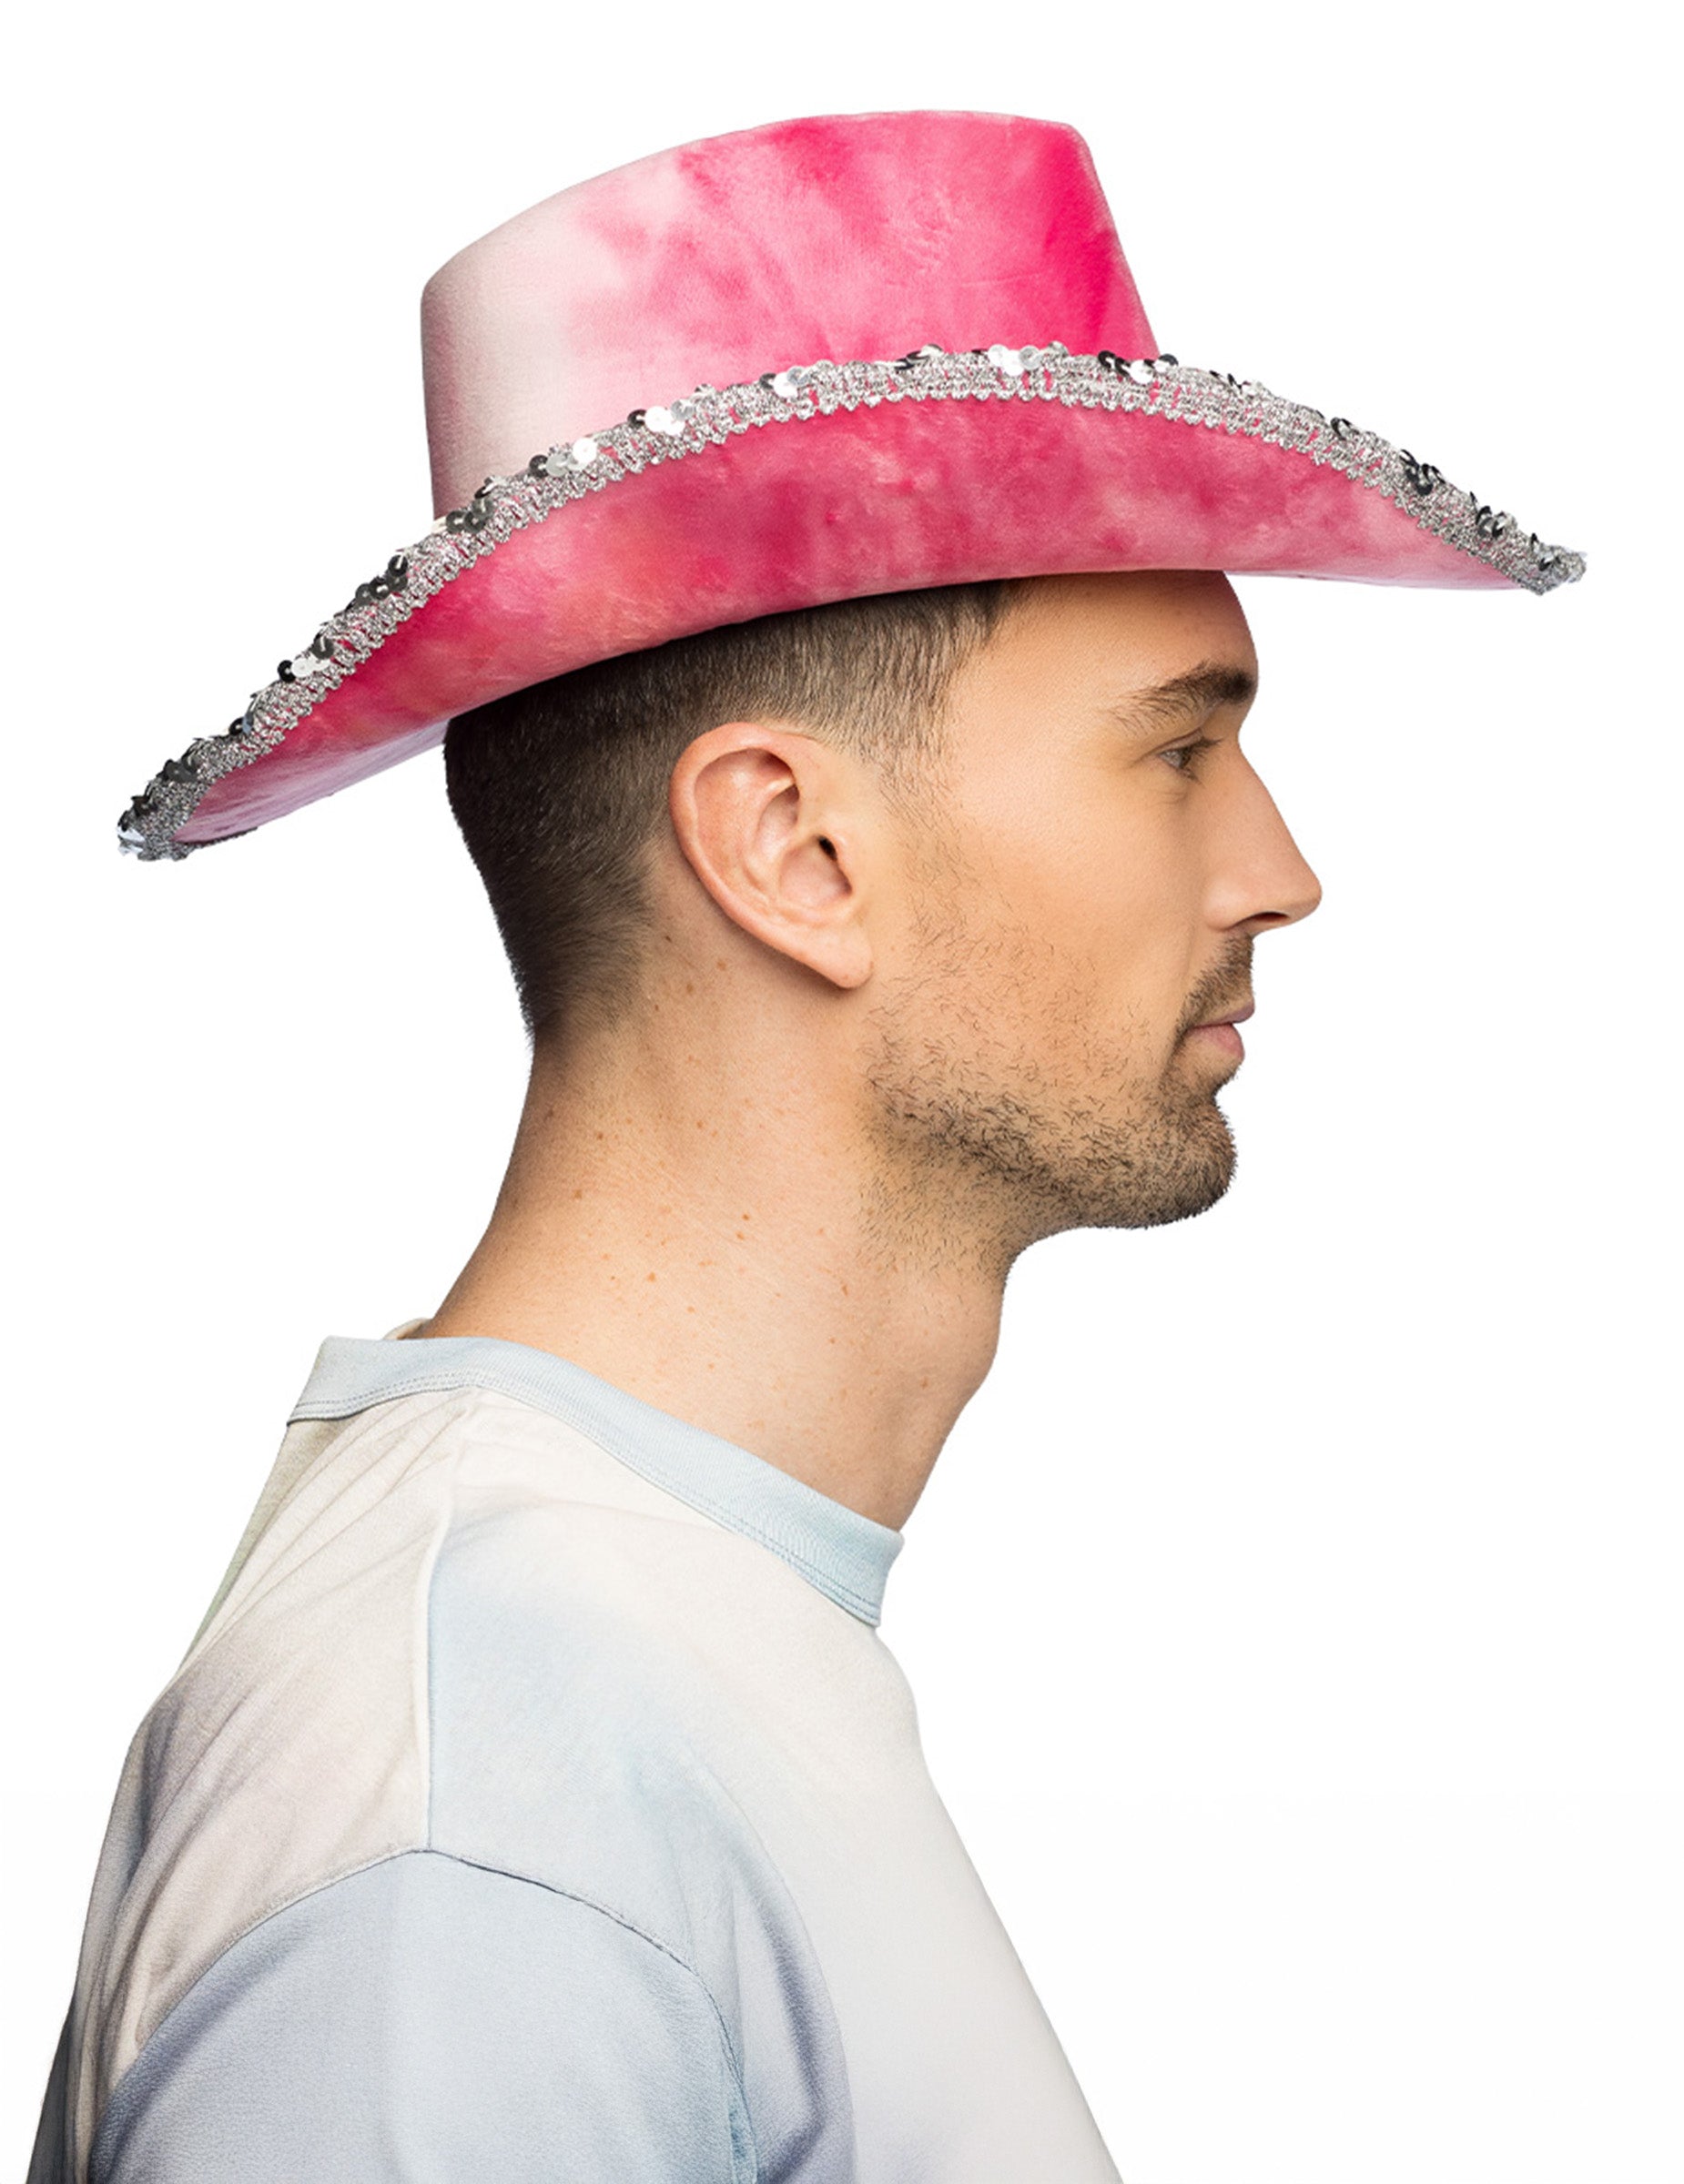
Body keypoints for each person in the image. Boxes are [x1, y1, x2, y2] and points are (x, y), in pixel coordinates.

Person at [31, 110, 1584, 2184]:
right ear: (795, 852)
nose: (1278, 873)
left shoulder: (629, 1674)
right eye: (1177, 748)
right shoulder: (490, 1814)